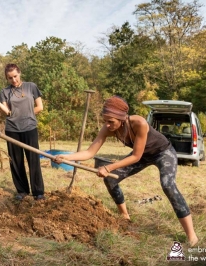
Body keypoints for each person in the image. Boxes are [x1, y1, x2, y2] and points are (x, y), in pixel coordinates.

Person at [54, 96, 198, 246]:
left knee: (168, 185)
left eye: (111, 121)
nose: (107, 125)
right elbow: (90, 152)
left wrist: (108, 167)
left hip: (162, 152)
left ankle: (191, 235)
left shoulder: (139, 123)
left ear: (122, 118)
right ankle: (124, 216)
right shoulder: (108, 128)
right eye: (105, 121)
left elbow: (135, 156)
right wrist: (66, 157)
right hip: (142, 155)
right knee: (110, 179)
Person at [0, 63, 45, 201]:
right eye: (10, 78)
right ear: (6, 78)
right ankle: (22, 191)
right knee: (16, 161)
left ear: (20, 73)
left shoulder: (31, 87)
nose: (13, 80)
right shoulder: (4, 92)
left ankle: (38, 192)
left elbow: (40, 107)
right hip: (12, 130)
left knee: (33, 160)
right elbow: (6, 112)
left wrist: (26, 115)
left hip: (30, 128)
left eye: (15, 76)